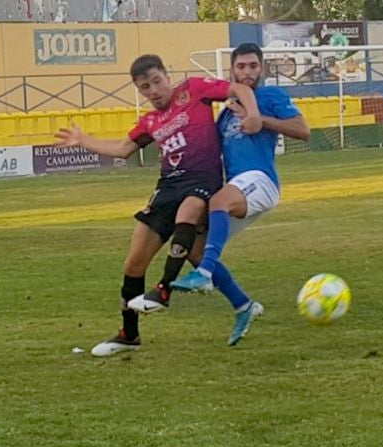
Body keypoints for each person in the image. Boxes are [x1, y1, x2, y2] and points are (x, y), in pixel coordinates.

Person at [53, 54, 262, 357]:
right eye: (144, 87)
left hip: (201, 181)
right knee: (137, 262)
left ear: (167, 75)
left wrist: (252, 113)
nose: (153, 90)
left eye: (156, 81)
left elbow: (239, 90)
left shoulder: (194, 89)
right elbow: (123, 149)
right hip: (167, 187)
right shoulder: (150, 121)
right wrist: (84, 140)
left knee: (188, 214)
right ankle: (129, 334)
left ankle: (164, 290)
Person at [171, 43, 311, 345]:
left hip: (260, 179)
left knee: (218, 202)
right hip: (238, 187)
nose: (247, 72)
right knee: (195, 249)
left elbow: (303, 129)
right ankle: (243, 305)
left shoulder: (270, 96)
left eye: (253, 66)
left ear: (262, 69)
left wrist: (261, 120)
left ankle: (206, 274)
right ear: (232, 70)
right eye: (241, 67)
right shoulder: (225, 114)